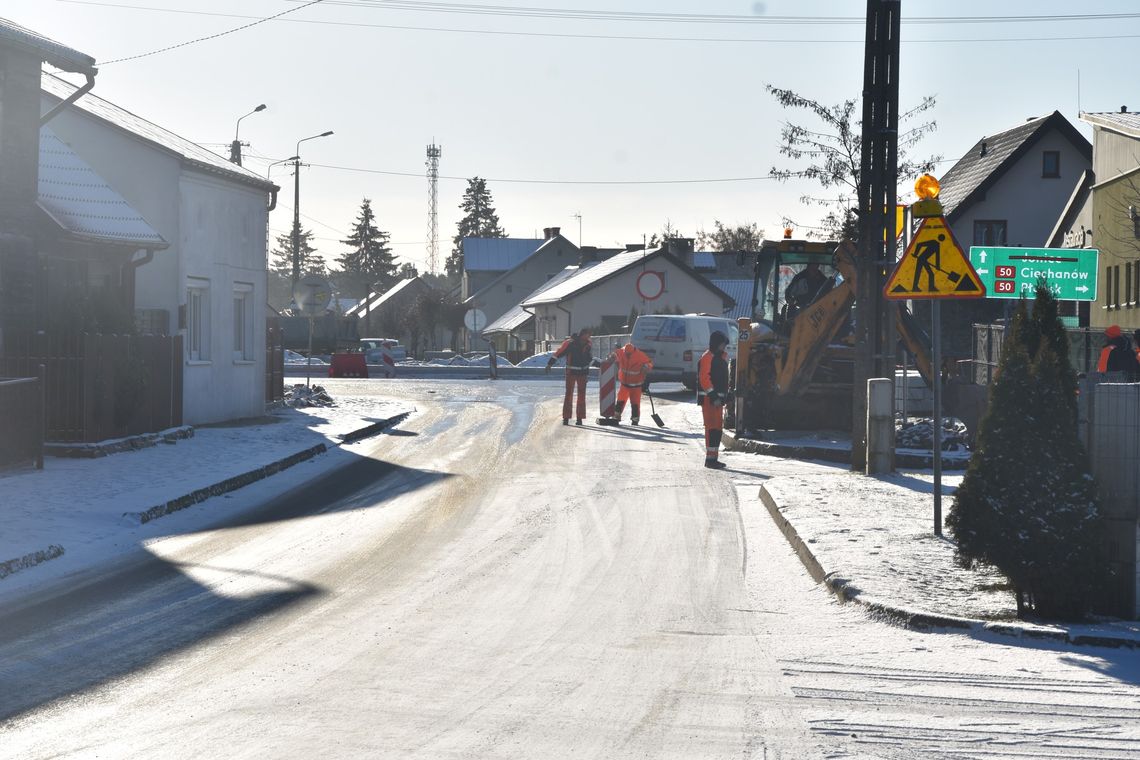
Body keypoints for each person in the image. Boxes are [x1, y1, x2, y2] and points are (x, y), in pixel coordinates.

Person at [696, 330, 730, 469]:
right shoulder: (708, 357)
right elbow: (705, 379)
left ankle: (713, 458)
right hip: (710, 400)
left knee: (717, 429)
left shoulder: (719, 357)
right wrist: (714, 396)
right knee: (711, 429)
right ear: (716, 344)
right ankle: (710, 460)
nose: (724, 347)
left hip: (717, 401)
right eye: (722, 345)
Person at [547, 328, 593, 425]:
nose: (589, 337)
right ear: (583, 334)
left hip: (583, 373)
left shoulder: (588, 344)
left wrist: (602, 364)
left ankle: (579, 419)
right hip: (571, 372)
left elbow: (589, 358)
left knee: (581, 396)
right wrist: (550, 364)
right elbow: (558, 353)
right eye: (588, 334)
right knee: (569, 395)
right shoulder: (569, 343)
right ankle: (566, 418)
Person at [611, 341, 653, 425]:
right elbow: (614, 355)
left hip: (636, 385)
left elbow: (649, 363)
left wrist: (646, 367)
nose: (627, 355)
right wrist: (612, 356)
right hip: (624, 384)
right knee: (620, 401)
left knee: (635, 403)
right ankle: (616, 417)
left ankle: (635, 419)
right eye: (626, 354)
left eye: (629, 354)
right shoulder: (622, 352)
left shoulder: (640, 355)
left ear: (633, 351)